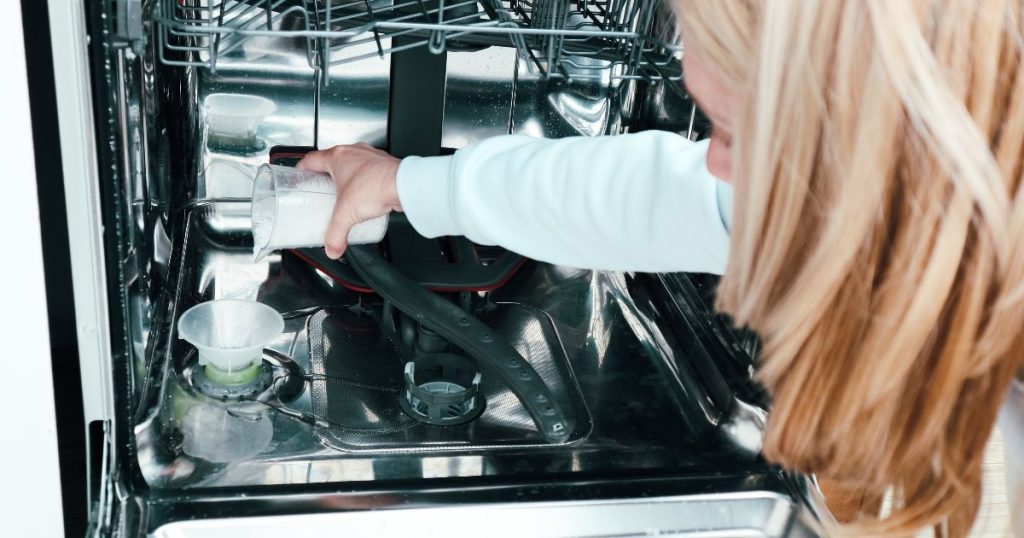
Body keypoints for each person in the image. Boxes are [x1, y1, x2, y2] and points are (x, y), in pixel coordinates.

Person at [297, 1, 1024, 535]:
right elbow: (649, 197)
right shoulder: (859, 180)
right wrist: (407, 184)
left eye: (732, 132)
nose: (714, 163)